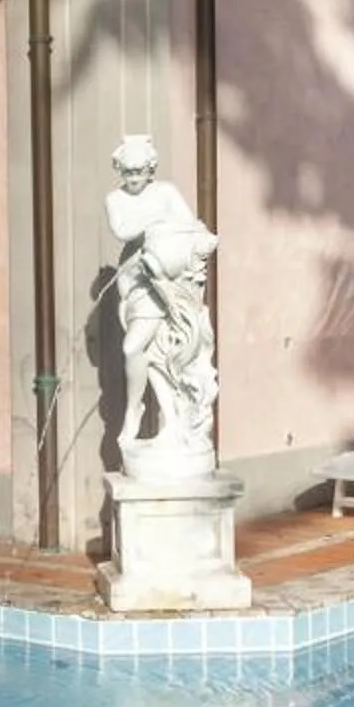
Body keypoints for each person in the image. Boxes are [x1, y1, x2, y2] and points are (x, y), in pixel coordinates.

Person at [105, 134, 219, 464]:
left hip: (164, 276)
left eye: (139, 171)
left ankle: (134, 409)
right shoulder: (115, 199)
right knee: (153, 354)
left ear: (151, 169)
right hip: (133, 278)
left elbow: (189, 225)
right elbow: (122, 231)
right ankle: (171, 420)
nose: (133, 178)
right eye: (127, 172)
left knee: (133, 347)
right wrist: (155, 220)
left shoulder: (166, 192)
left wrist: (165, 228)